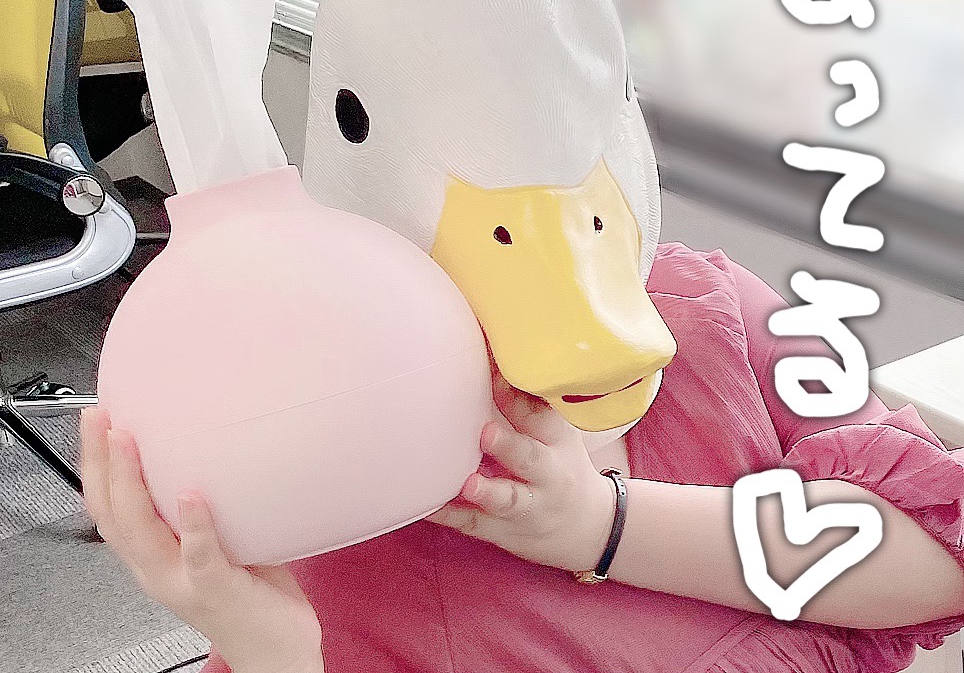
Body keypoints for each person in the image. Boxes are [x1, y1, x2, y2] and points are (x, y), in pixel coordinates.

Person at [81, 243, 964, 673]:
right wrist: (273, 647)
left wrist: (601, 525)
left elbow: (938, 560)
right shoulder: (323, 474)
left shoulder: (705, 309)